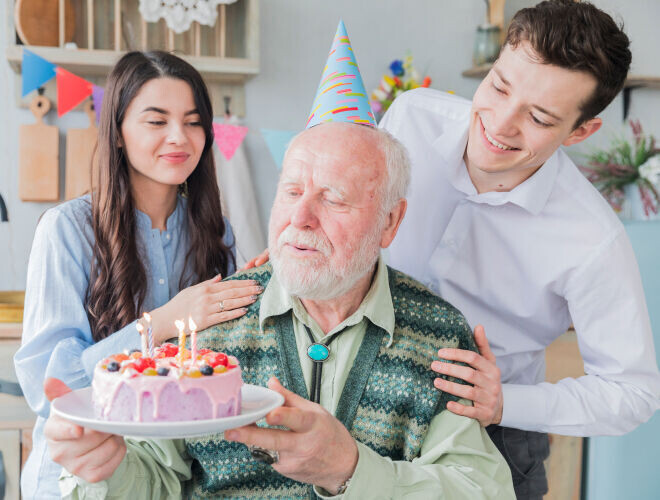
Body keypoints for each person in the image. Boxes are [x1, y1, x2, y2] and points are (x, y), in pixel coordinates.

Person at [45, 119, 516, 499]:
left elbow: (482, 491)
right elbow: (155, 480)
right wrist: (107, 471)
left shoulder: (440, 335)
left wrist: (350, 470)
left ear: (390, 221)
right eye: (291, 192)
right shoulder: (213, 321)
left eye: (333, 198)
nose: (300, 218)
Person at [378, 1, 660, 498]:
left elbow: (633, 393)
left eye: (539, 117)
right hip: (364, 400)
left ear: (580, 131)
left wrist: (506, 401)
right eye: (500, 87)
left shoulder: (593, 239)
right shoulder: (411, 118)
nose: (501, 125)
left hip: (493, 438)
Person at [13, 51, 263, 500]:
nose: (179, 137)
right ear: (119, 133)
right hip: (79, 481)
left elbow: (228, 355)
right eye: (156, 120)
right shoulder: (67, 229)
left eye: (192, 121)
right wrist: (161, 322)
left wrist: (264, 286)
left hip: (174, 481)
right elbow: (51, 388)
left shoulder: (216, 232)